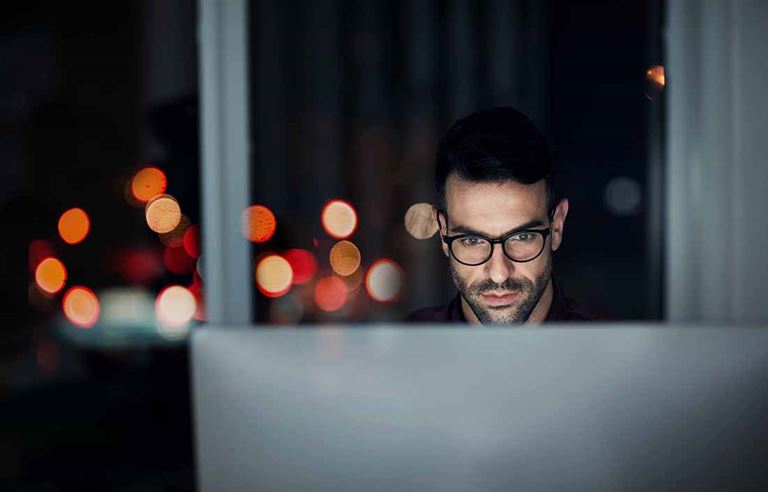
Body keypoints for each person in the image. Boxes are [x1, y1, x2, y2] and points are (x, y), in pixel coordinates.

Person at [407, 107, 610, 324]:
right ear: (444, 235)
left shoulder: (614, 351)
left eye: (522, 237)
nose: (499, 274)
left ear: (557, 227)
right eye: (472, 241)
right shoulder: (405, 349)